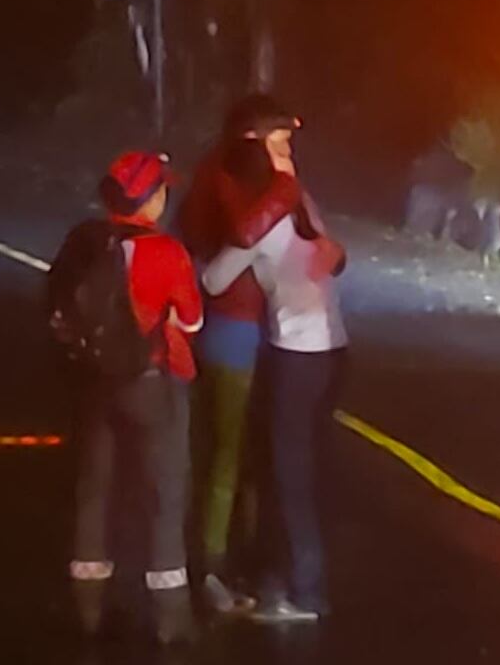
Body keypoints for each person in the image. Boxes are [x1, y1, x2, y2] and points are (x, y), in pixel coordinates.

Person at [48, 150, 204, 644]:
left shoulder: (85, 242)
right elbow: (192, 320)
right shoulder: (166, 251)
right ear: (151, 199)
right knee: (164, 492)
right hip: (151, 383)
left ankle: (87, 607)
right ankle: (170, 615)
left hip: (95, 382)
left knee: (94, 489)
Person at [202, 138, 347, 624]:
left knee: (287, 476)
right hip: (332, 351)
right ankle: (296, 581)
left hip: (297, 354)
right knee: (303, 472)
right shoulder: (306, 210)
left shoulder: (260, 227)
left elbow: (213, 280)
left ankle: (304, 594)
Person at [177, 95, 306, 613]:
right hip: (235, 331)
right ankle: (213, 565)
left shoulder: (230, 174)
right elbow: (243, 235)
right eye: (281, 141)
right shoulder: (239, 182)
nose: (289, 153)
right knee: (228, 457)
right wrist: (285, 188)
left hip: (251, 330)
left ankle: (238, 560)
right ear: (252, 139)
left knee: (243, 457)